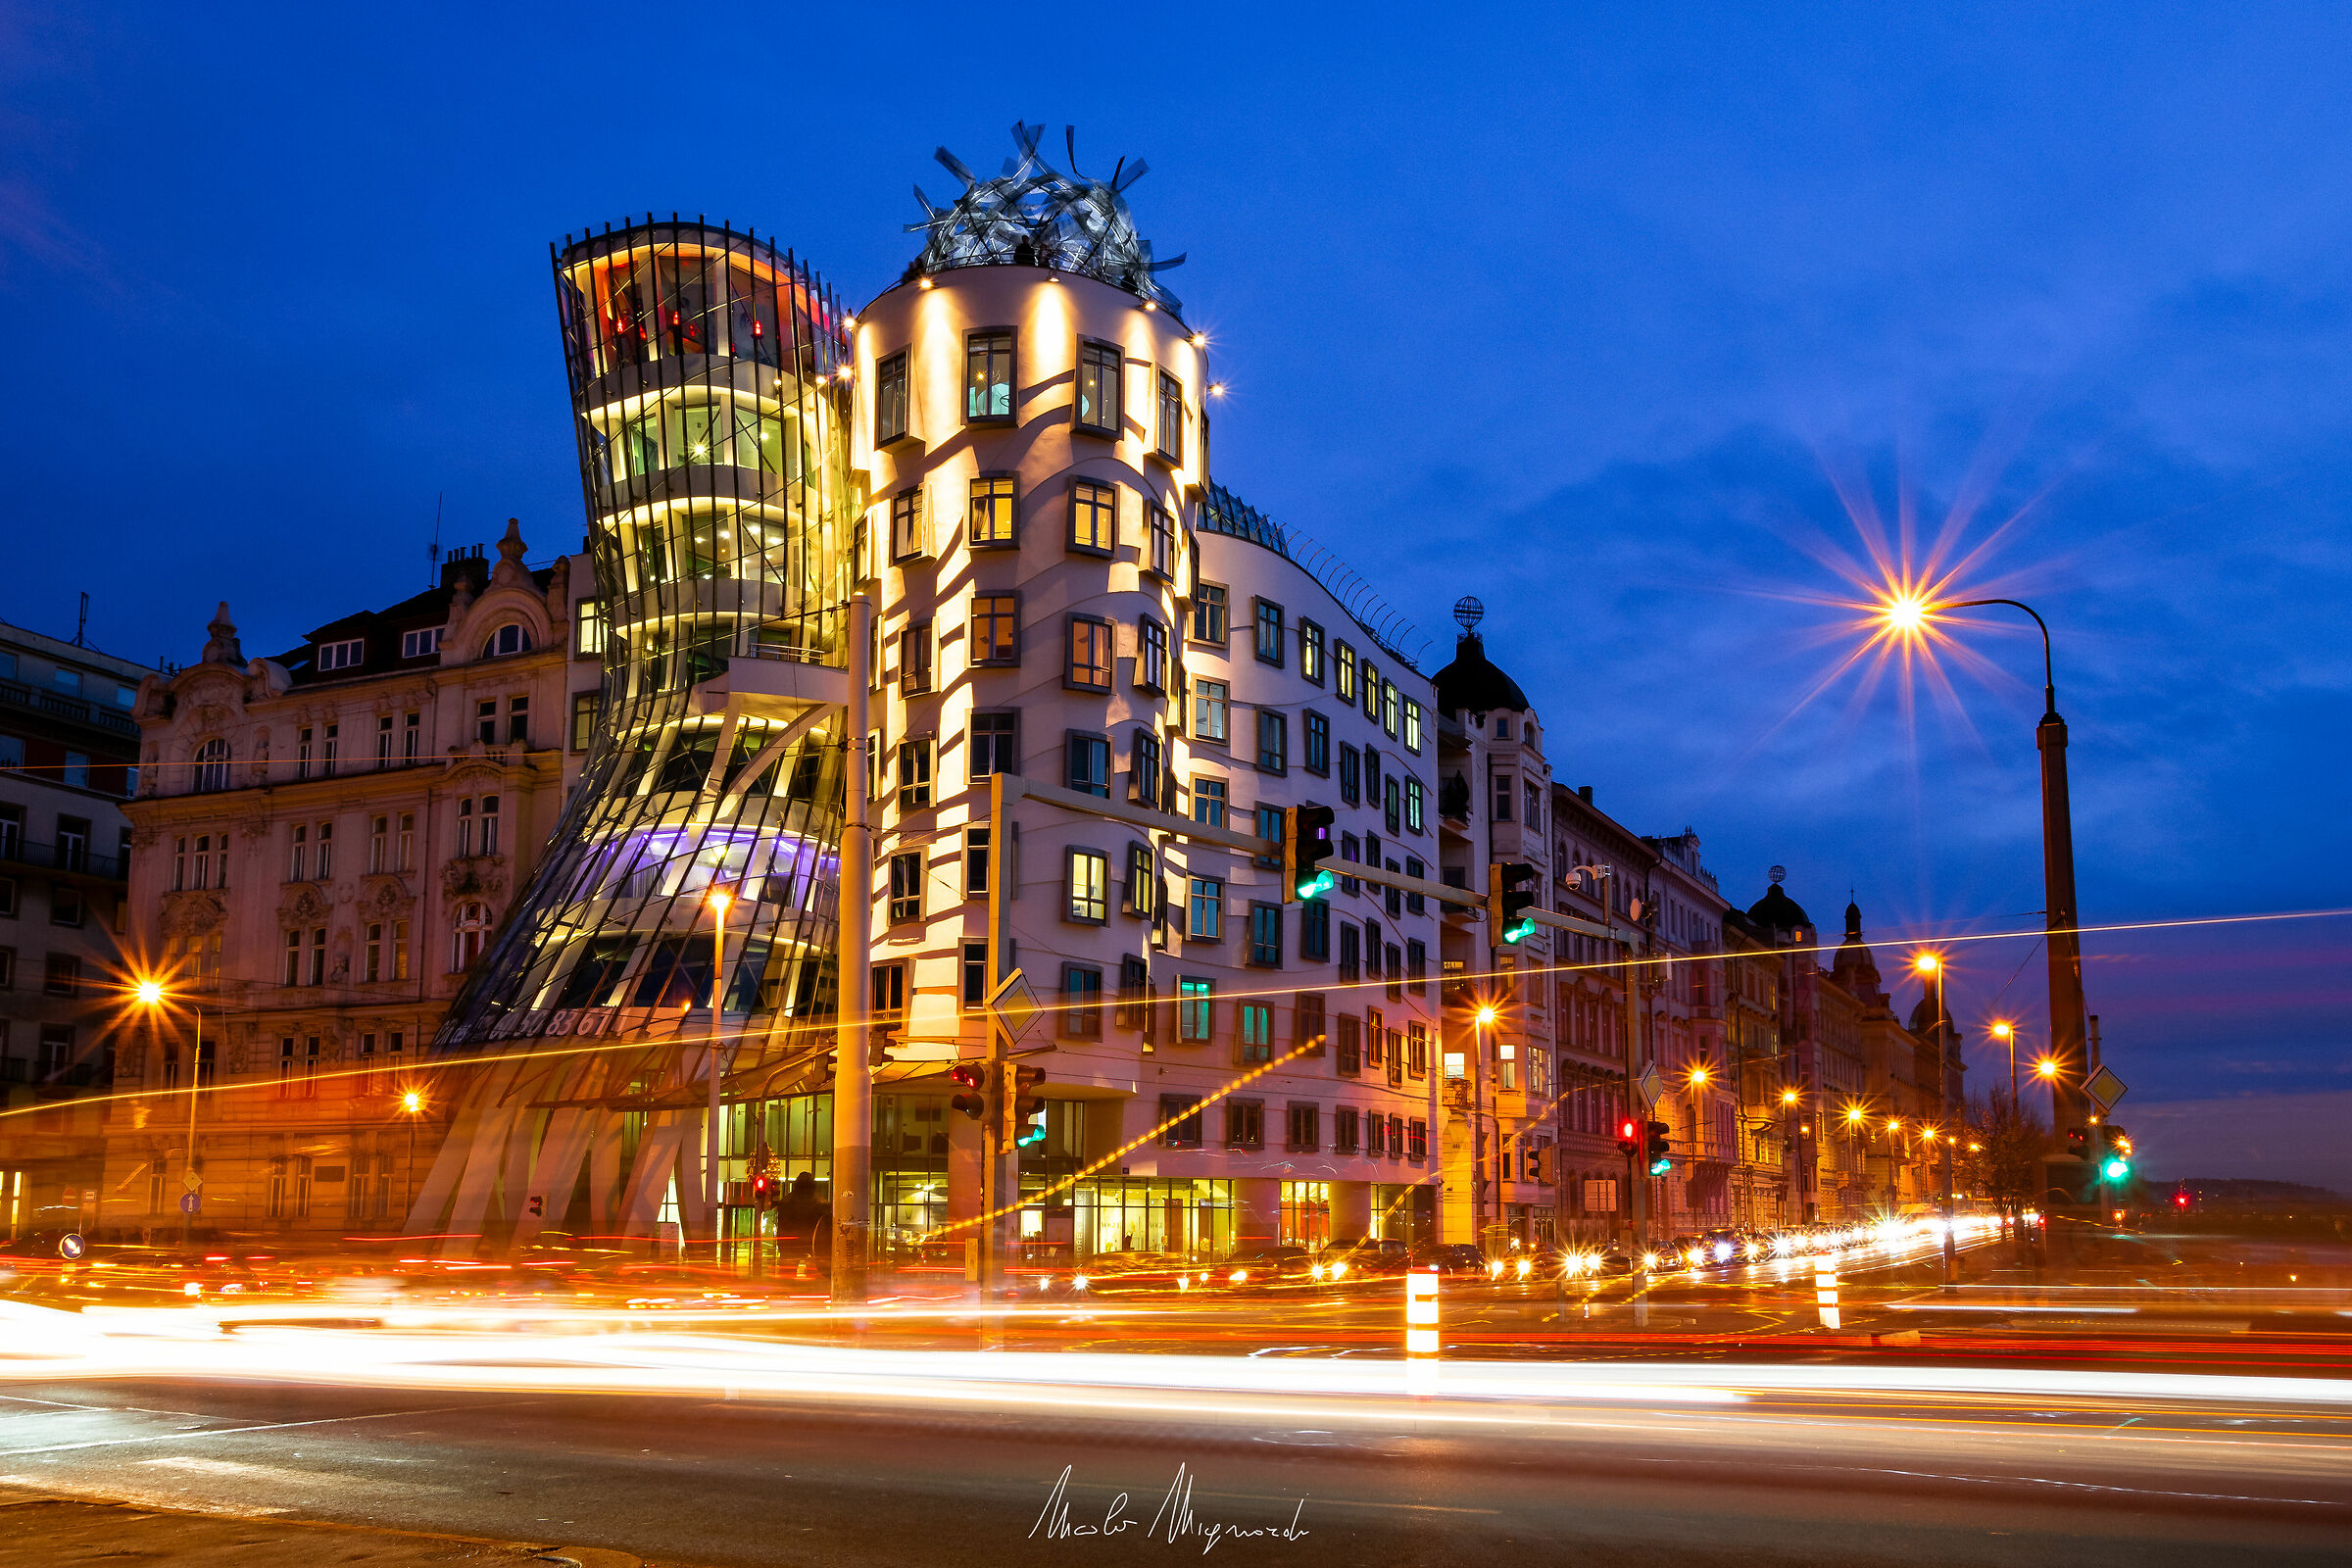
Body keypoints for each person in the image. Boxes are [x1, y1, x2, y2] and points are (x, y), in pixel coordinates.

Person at [773, 1172, 832, 1277]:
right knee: (814, 1277)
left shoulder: (786, 1202)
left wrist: (782, 1246)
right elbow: (825, 1229)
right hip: (813, 1245)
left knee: (787, 1276)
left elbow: (782, 1227)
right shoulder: (822, 1204)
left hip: (791, 1246)